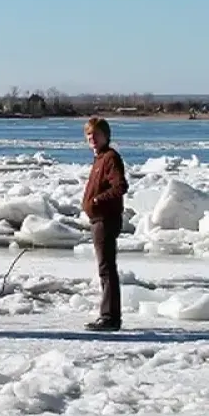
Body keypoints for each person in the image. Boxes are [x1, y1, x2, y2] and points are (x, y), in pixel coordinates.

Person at [82, 116, 128, 332]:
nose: (92, 138)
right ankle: (109, 315)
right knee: (105, 267)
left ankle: (110, 317)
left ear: (105, 136)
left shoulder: (110, 158)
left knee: (106, 268)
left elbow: (120, 186)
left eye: (96, 134)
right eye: (89, 135)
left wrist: (98, 200)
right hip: (98, 219)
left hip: (106, 219)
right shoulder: (99, 158)